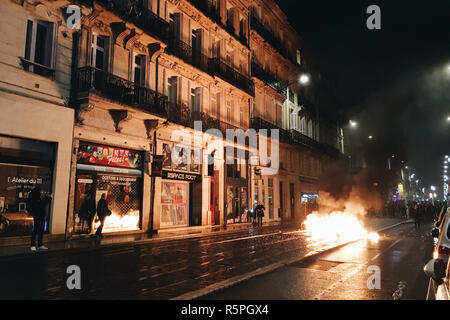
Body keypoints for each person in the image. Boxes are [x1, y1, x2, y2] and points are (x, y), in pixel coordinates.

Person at [29, 186, 52, 251]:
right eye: (39, 192)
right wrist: (48, 198)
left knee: (40, 231)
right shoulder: (35, 199)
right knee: (36, 230)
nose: (40, 193)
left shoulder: (38, 198)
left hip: (41, 216)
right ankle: (33, 245)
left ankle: (39, 245)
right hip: (38, 216)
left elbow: (42, 204)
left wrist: (47, 199)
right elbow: (41, 205)